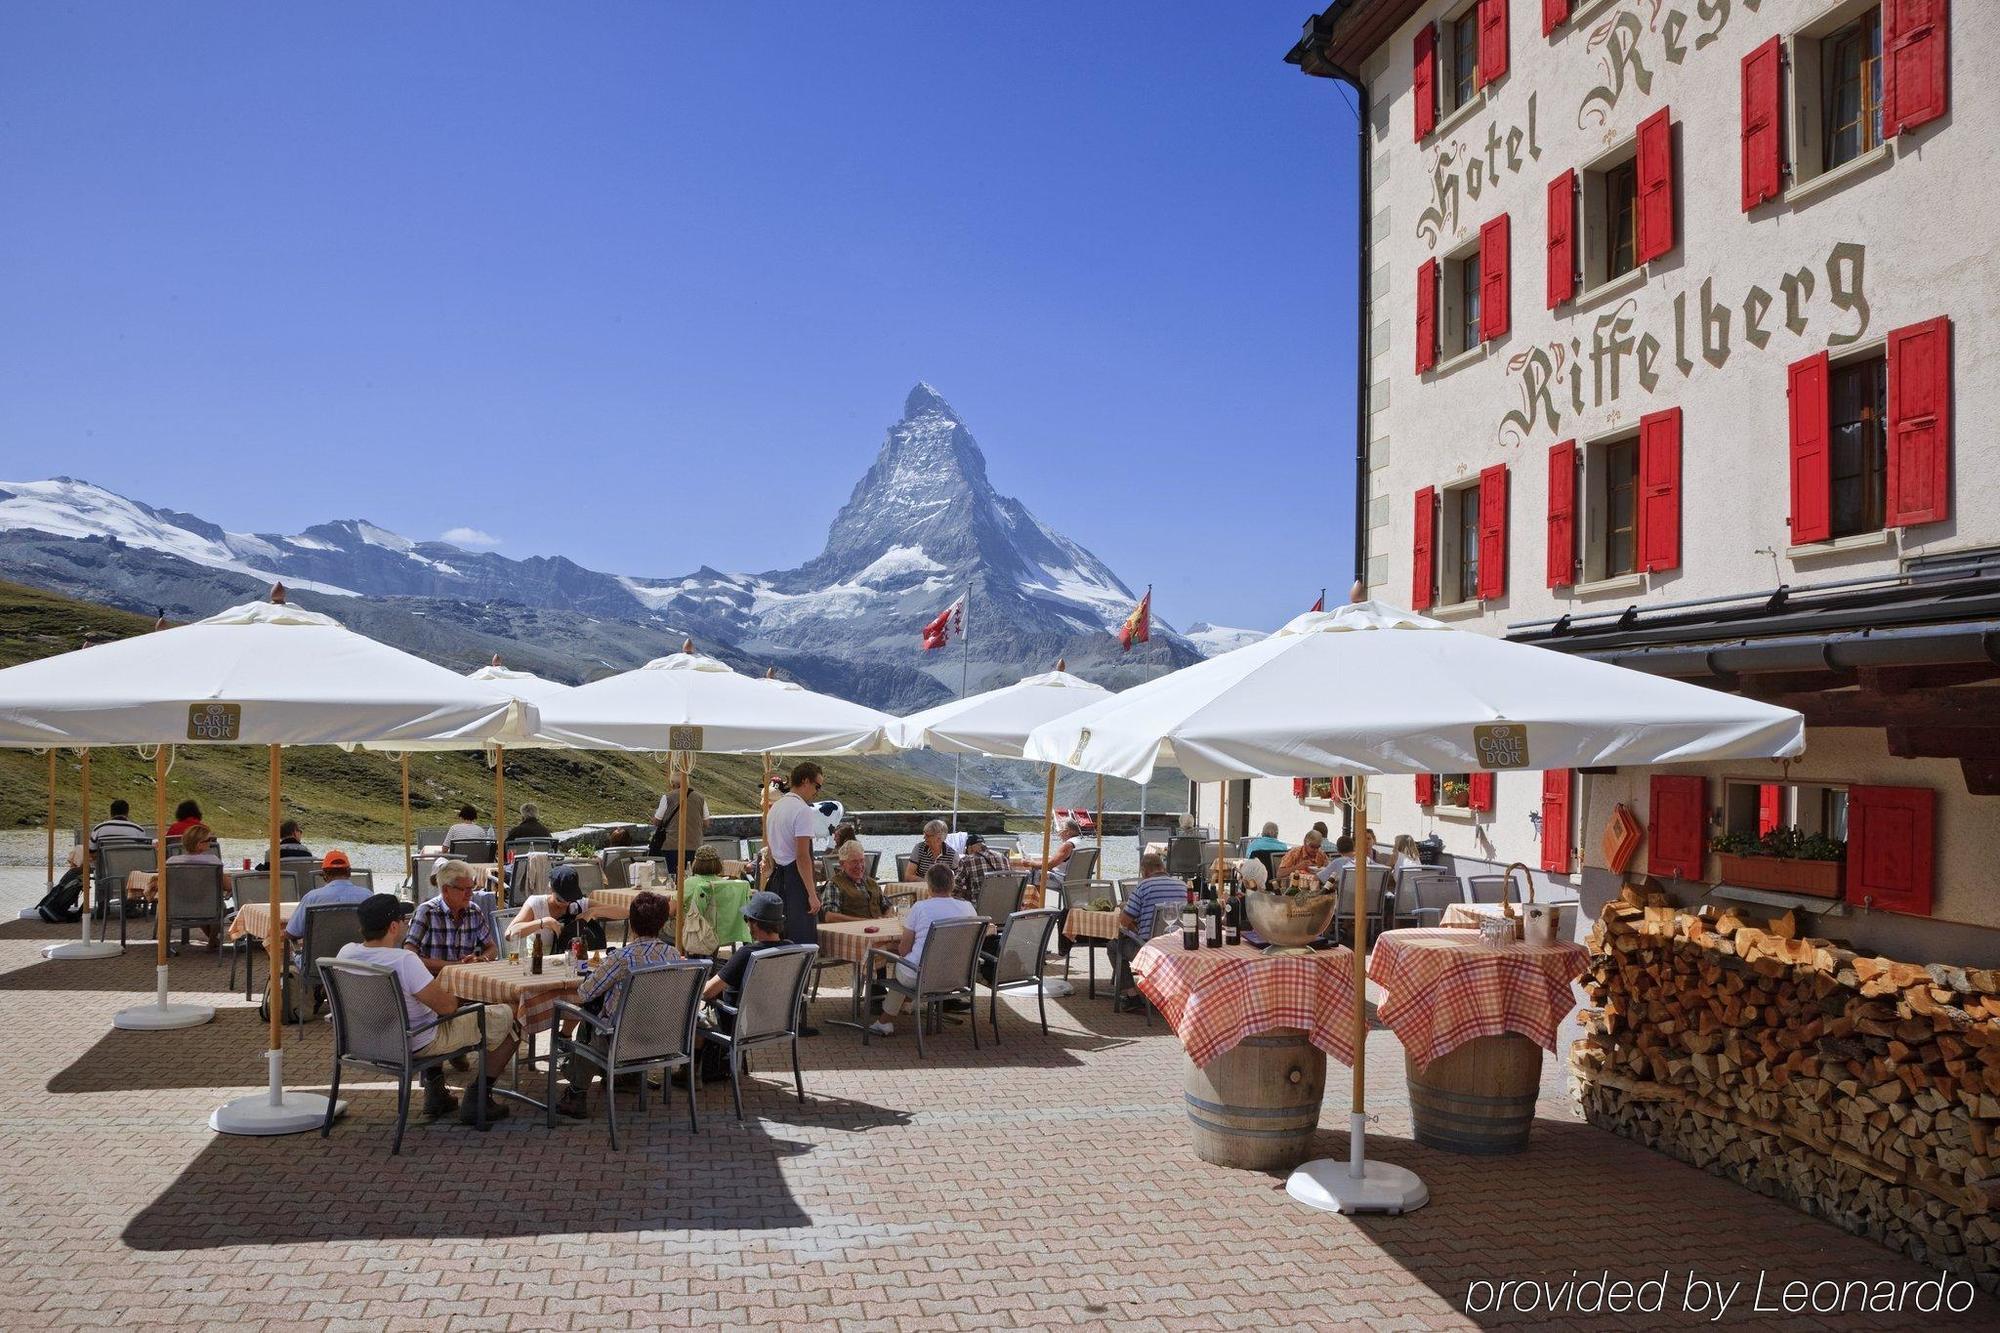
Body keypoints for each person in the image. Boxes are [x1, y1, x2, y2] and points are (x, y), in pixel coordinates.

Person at [336, 893, 517, 1123]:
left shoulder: (346, 953)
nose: (406, 923)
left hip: (367, 1041)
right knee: (511, 1016)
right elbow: (448, 1007)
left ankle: (437, 1093)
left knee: (429, 1012)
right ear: (393, 926)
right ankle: (479, 1097)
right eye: (403, 919)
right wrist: (465, 996)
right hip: (416, 1042)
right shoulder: (403, 961)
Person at [555, 889, 681, 1119]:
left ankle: (576, 1093)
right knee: (604, 1019)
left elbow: (585, 992)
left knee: (589, 1021)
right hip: (662, 1037)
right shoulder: (673, 954)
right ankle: (628, 1077)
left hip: (621, 1041)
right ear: (662, 923)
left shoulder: (623, 957)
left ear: (631, 923)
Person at [866, 865, 978, 1038]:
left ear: (929, 886)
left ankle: (884, 1021)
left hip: (922, 976)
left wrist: (889, 948)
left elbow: (904, 950)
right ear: (952, 884)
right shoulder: (968, 908)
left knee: (903, 965)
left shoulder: (920, 908)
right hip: (958, 976)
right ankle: (907, 1005)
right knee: (910, 963)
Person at [700, 890, 792, 1033]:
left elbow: (707, 992)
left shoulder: (747, 954)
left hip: (740, 1025)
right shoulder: (791, 950)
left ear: (754, 923)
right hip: (778, 1022)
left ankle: (710, 1055)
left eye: (746, 919)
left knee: (695, 1020)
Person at [1113, 852, 1192, 1011]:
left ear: (1145, 871)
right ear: (1162, 867)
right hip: (1178, 947)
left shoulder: (1144, 886)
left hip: (1149, 949)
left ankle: (1132, 996)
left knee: (1114, 946)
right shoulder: (1183, 886)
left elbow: (1124, 921)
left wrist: (1125, 910)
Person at [404, 858, 497, 975]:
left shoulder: (474, 911)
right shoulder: (426, 912)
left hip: (465, 981)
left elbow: (492, 948)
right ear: (446, 890)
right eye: (464, 889)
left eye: (471, 888)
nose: (470, 894)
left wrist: (480, 959)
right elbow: (409, 955)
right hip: (431, 982)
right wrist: (455, 966)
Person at [506, 863, 602, 952]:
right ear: (550, 888)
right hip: (539, 961)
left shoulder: (579, 904)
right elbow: (509, 934)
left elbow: (616, 910)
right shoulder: (536, 903)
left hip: (571, 960)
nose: (566, 903)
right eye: (560, 899)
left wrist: (592, 912)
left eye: (570, 899)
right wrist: (545, 922)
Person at [166, 822, 232, 948]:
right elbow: (228, 886)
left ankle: (212, 940)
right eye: (209, 840)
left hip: (178, 906)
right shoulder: (213, 862)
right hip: (208, 907)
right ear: (199, 844)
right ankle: (212, 940)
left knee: (201, 898)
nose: (211, 842)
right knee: (215, 905)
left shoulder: (171, 862)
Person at [283, 850, 372, 943]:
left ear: (324, 874)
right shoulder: (368, 896)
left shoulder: (312, 898)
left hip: (318, 956)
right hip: (356, 956)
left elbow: (292, 934)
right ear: (349, 872)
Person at [647, 761, 707, 872]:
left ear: (673, 784)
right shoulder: (700, 798)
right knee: (691, 874)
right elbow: (706, 822)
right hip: (695, 845)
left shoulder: (668, 797)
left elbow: (657, 821)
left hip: (672, 845)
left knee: (672, 875)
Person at [823, 839, 885, 922]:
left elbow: (888, 906)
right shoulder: (834, 884)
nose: (859, 866)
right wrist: (864, 922)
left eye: (862, 861)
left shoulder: (872, 882)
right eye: (854, 862)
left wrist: (887, 918)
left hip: (880, 929)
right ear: (842, 864)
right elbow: (830, 916)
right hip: (855, 932)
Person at [1021, 818, 1081, 898]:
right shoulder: (1080, 842)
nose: (1058, 834)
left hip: (1063, 880)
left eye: (1059, 831)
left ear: (1067, 831)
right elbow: (1058, 861)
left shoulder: (1068, 845)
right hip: (1077, 879)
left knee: (1033, 874)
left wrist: (1030, 863)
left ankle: (1036, 905)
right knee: (1038, 869)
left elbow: (1049, 865)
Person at [951, 830, 1010, 901]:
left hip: (978, 908)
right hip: (1004, 904)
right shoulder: (1003, 857)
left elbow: (954, 889)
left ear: (969, 848)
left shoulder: (966, 861)